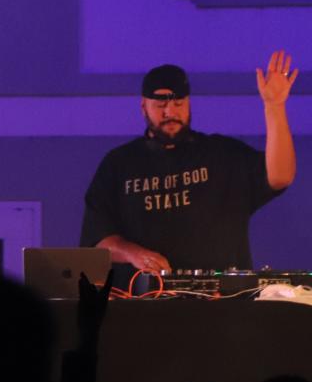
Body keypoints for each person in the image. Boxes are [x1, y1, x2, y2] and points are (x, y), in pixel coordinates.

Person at [80, 51, 297, 274]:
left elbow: (280, 177)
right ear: (143, 106)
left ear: (189, 103)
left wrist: (274, 107)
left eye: (178, 103)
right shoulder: (119, 164)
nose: (170, 112)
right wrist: (133, 254)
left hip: (221, 294)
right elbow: (97, 239)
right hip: (147, 293)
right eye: (160, 105)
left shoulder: (221, 153)